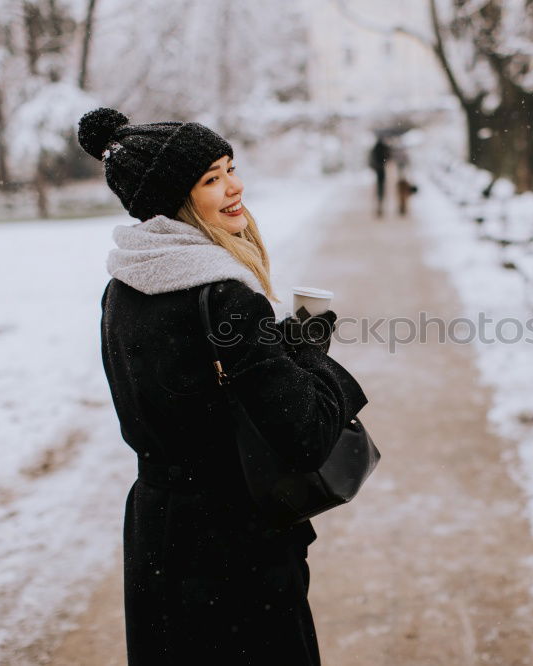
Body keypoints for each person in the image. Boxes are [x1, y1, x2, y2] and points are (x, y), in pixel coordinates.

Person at [77, 107, 368, 665]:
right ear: (174, 199)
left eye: (230, 168)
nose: (235, 187)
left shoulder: (124, 286)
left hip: (159, 533)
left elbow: (181, 396)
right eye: (211, 178)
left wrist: (274, 348)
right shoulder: (223, 294)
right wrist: (308, 350)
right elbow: (305, 434)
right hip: (234, 548)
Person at [368, 135, 391, 217]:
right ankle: (380, 198)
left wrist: (375, 165)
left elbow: (372, 158)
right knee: (381, 185)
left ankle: (379, 198)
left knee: (379, 185)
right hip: (381, 168)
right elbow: (388, 156)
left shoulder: (376, 148)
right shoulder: (383, 148)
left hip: (378, 168)